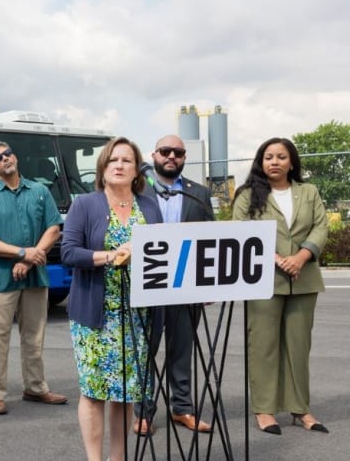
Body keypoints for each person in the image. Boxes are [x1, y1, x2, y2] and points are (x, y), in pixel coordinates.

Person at [61, 136, 161, 461]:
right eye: (112, 160)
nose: (119, 165)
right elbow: (69, 252)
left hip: (137, 315)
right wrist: (112, 255)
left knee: (125, 392)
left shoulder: (149, 205)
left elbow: (162, 251)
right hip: (95, 315)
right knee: (94, 391)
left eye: (127, 160)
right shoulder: (85, 204)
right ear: (103, 168)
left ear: (137, 170)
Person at [232, 137, 329, 435]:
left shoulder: (309, 192)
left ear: (291, 162)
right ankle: (264, 409)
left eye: (281, 156)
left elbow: (321, 226)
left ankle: (300, 409)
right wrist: (275, 258)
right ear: (261, 162)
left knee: (299, 347)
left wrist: (300, 257)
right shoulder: (248, 195)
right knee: (263, 346)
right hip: (263, 279)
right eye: (269, 157)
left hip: (303, 278)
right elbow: (241, 231)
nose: (274, 162)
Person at [0, 141, 67, 416]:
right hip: (1, 279)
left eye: (8, 153)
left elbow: (53, 229)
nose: (6, 158)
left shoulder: (40, 191)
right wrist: (22, 253)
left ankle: (35, 388)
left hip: (35, 276)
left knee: (34, 337)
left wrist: (28, 260)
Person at [134, 135, 215, 435]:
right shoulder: (137, 190)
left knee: (181, 350)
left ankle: (182, 408)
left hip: (186, 285)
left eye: (178, 153)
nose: (171, 157)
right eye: (165, 151)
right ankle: (142, 413)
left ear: (184, 158)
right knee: (145, 352)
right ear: (154, 154)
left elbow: (209, 241)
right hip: (149, 283)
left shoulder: (199, 194)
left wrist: (208, 285)